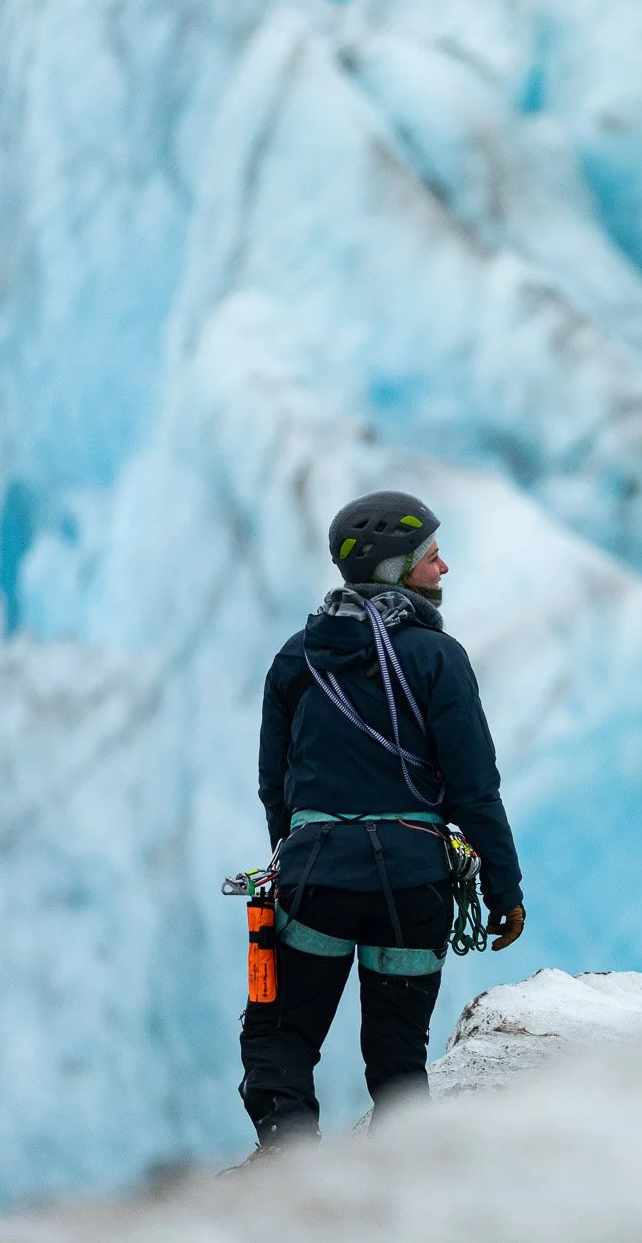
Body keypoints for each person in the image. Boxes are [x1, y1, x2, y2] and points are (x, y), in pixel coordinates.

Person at [238, 489, 525, 1158]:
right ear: (394, 567)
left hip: (315, 878)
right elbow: (474, 789)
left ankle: (288, 1170)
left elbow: (272, 786)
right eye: (429, 557)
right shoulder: (437, 657)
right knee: (397, 1062)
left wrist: (301, 855)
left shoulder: (296, 656)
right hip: (414, 886)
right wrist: (503, 891)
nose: (444, 568)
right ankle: (405, 1197)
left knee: (280, 1037)